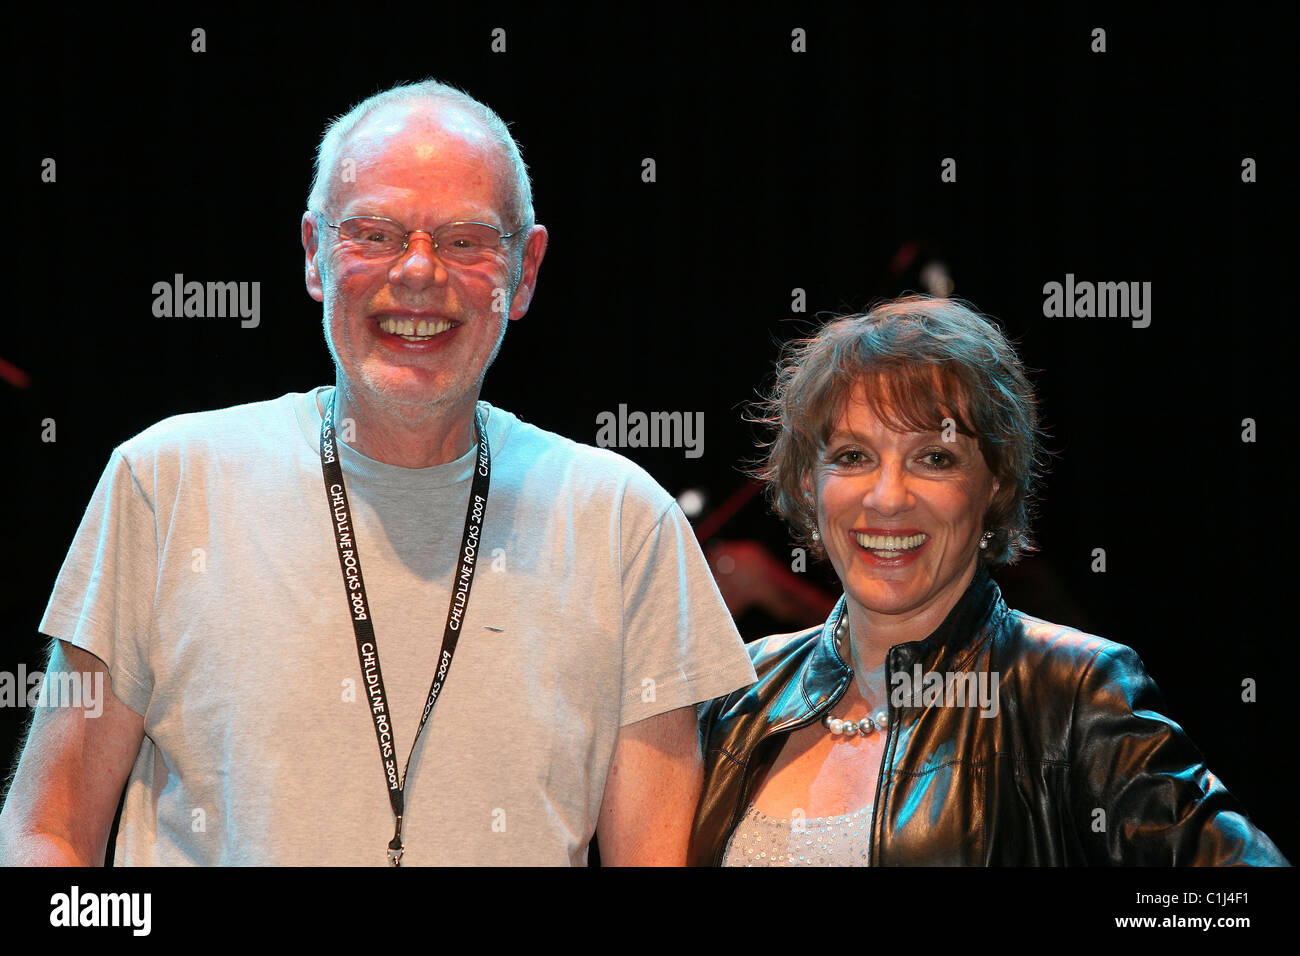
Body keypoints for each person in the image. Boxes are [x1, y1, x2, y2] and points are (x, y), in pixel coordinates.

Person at [0, 79, 756, 866]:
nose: (419, 273)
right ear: (315, 255)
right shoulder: (165, 482)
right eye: (374, 233)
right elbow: (45, 833)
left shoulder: (624, 521)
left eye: (466, 240)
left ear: (524, 271)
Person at [689, 295, 1288, 866]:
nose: (888, 497)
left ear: (994, 483)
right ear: (805, 483)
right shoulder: (736, 695)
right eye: (852, 456)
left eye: (935, 458)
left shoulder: (1073, 691)